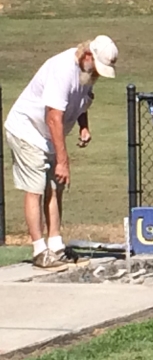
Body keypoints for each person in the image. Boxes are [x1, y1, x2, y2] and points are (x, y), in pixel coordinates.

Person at [4, 37, 119, 271]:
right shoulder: (62, 69)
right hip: (27, 130)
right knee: (35, 188)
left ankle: (56, 246)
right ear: (88, 55)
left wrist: (83, 125)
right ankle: (39, 250)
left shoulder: (87, 73)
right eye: (97, 67)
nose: (98, 73)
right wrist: (63, 160)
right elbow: (53, 117)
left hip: (47, 135)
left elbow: (81, 101)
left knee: (56, 188)